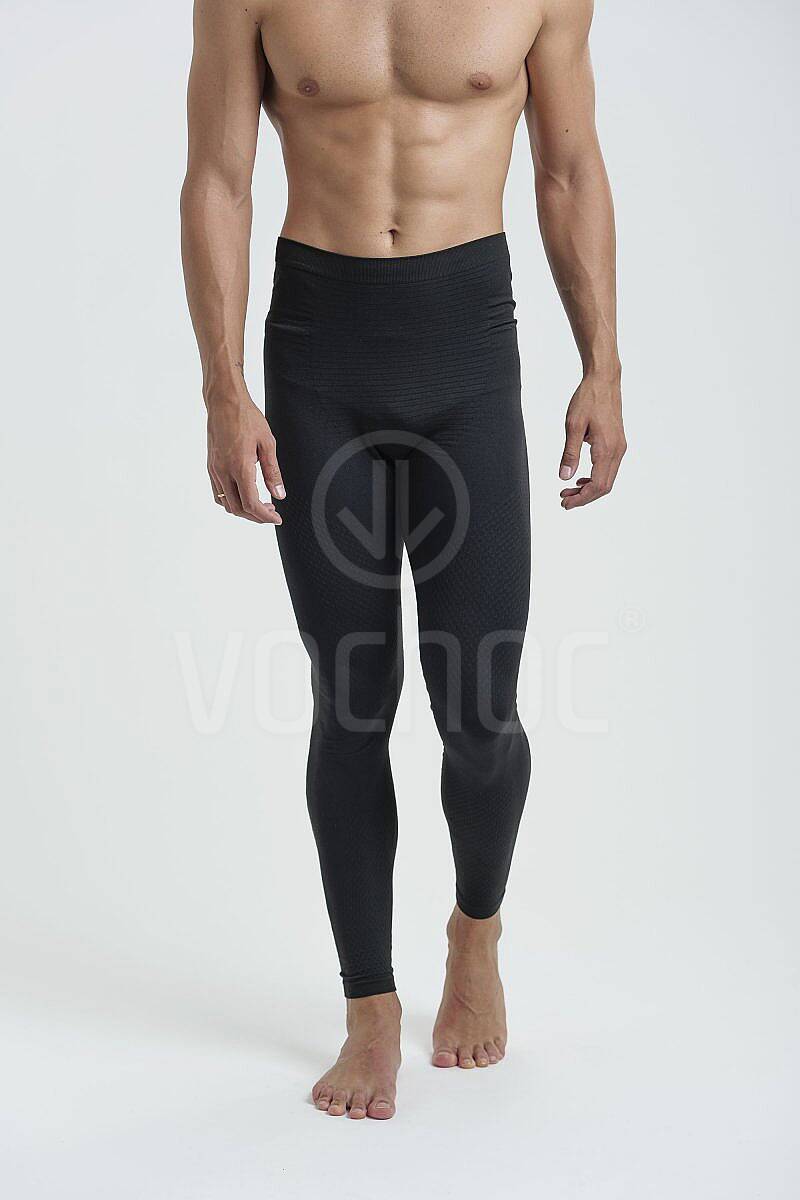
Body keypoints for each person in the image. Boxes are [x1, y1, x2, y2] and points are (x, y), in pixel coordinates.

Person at [180, 0, 626, 1121]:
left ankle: (475, 929)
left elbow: (568, 168)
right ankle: (368, 1003)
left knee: (480, 708)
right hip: (318, 357)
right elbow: (219, 180)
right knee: (352, 699)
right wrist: (223, 389)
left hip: (465, 354)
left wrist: (602, 366)